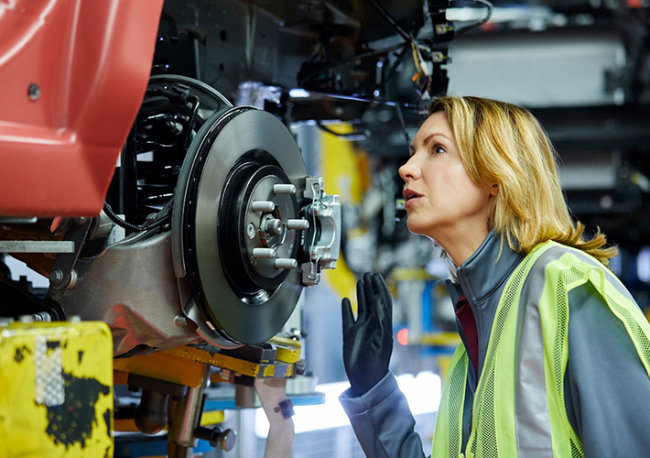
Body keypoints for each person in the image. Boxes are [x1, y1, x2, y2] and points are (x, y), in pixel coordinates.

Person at [339, 96, 650, 458]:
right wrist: (373, 390)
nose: (406, 168)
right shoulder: (468, 350)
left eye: (436, 149)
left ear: (496, 177)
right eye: (411, 152)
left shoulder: (568, 286)